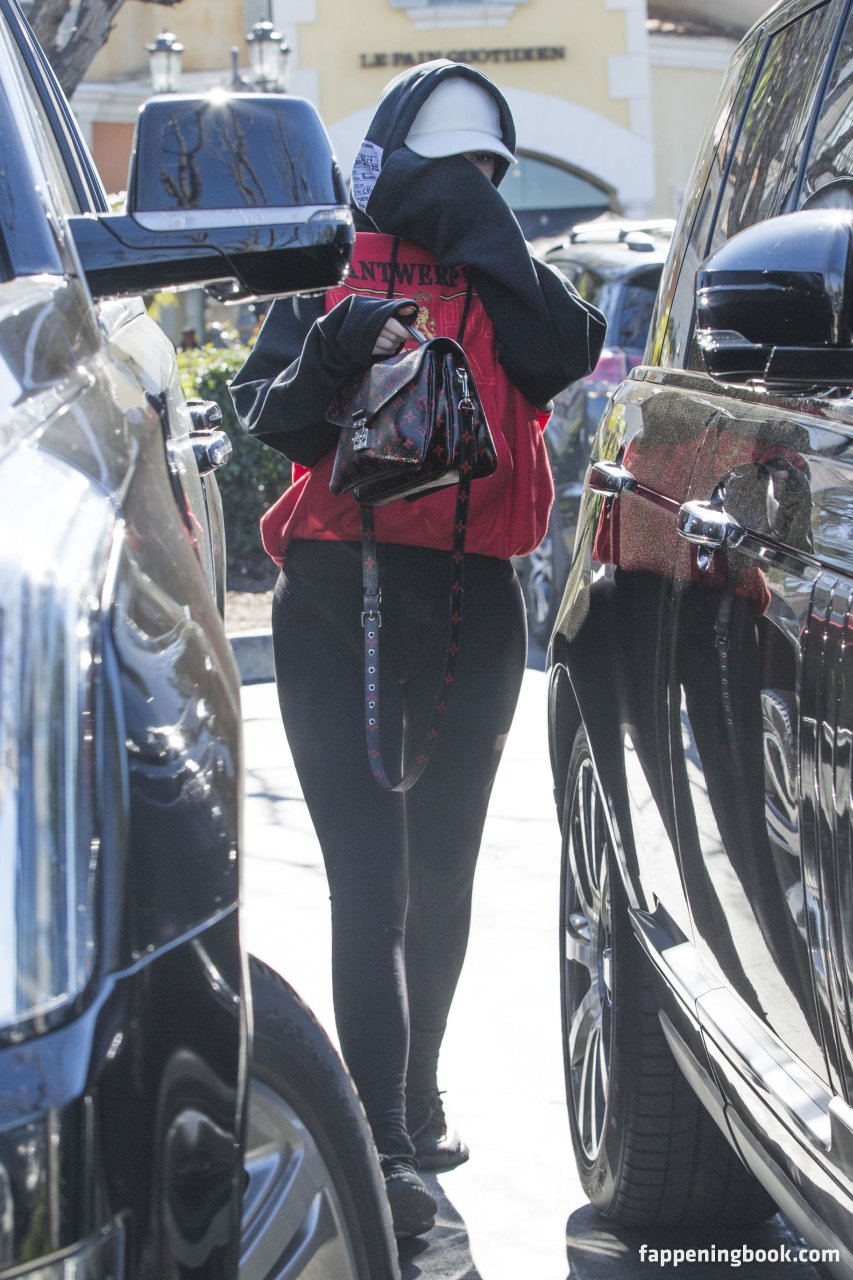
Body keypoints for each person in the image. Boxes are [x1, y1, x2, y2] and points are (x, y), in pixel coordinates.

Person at [231, 59, 606, 1239]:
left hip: (469, 601)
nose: (470, 192)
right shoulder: (327, 268)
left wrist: (481, 235)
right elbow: (269, 415)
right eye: (455, 173)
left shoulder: (505, 275)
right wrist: (337, 344)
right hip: (332, 594)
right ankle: (382, 1136)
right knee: (371, 879)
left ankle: (418, 1086)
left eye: (486, 176)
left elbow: (562, 351)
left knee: (442, 872)